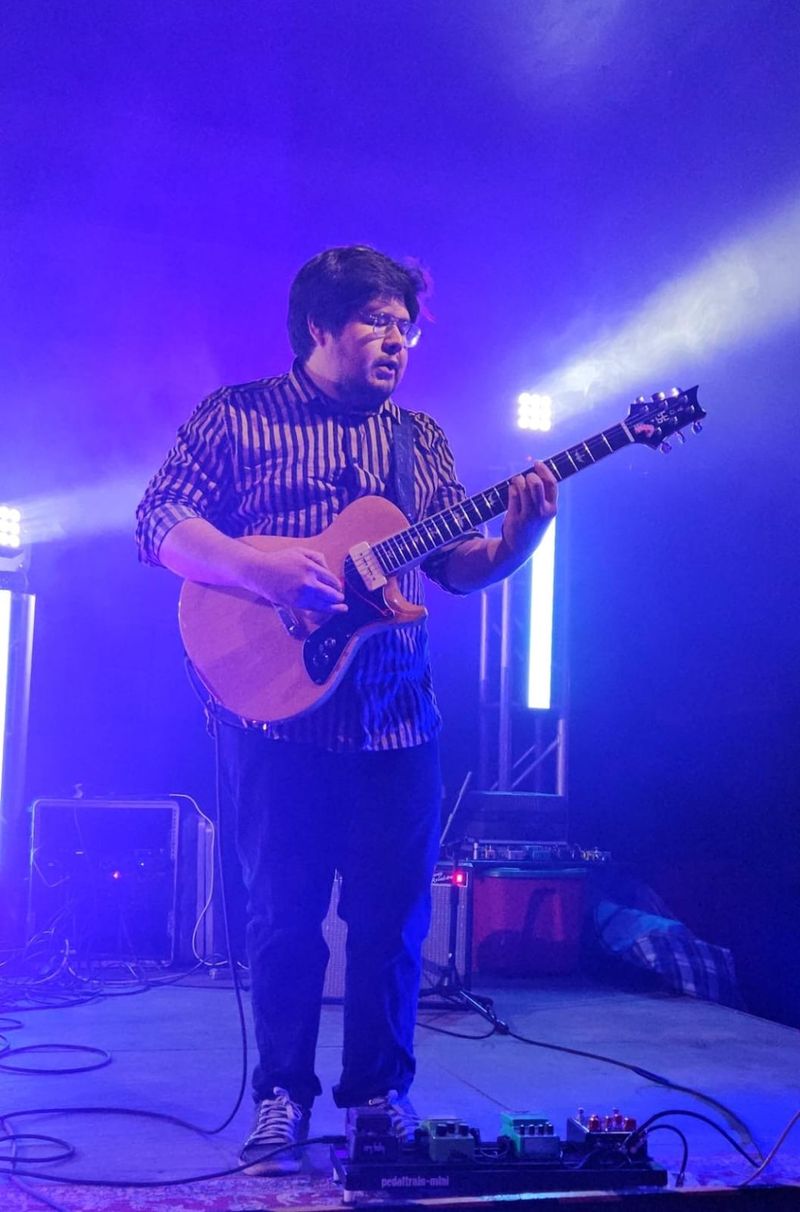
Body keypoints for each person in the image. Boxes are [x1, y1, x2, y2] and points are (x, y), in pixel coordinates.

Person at [135, 245, 557, 1174]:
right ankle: (281, 1095)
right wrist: (261, 568)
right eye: (375, 321)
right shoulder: (239, 417)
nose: (395, 340)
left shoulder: (422, 440)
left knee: (393, 924)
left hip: (398, 723)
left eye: (404, 326)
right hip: (279, 720)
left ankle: (378, 1097)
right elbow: (160, 521)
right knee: (283, 918)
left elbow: (455, 567)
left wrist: (520, 542)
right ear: (319, 327)